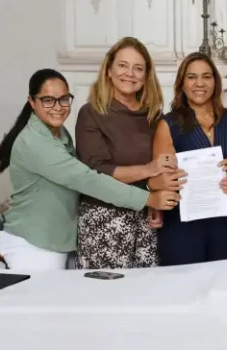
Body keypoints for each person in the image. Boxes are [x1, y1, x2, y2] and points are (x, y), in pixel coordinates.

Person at [0, 69, 179, 271]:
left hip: (54, 239)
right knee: (43, 301)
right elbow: (89, 181)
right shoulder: (35, 142)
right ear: (32, 102)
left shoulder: (58, 133)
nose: (58, 107)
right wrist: (148, 198)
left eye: (64, 99)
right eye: (48, 100)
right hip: (33, 243)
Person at [75, 37, 177, 270]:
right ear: (109, 70)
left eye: (138, 68)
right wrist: (150, 169)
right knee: (108, 297)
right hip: (104, 218)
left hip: (144, 217)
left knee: (146, 294)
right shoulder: (91, 113)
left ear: (146, 76)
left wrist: (155, 202)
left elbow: (164, 164)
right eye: (122, 65)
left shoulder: (153, 115)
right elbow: (96, 171)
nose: (130, 73)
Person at [151, 53, 227, 265]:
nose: (199, 83)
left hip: (226, 222)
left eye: (206, 76)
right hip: (183, 224)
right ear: (181, 84)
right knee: (182, 289)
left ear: (216, 82)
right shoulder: (168, 124)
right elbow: (159, 181)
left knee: (225, 285)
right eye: (192, 77)